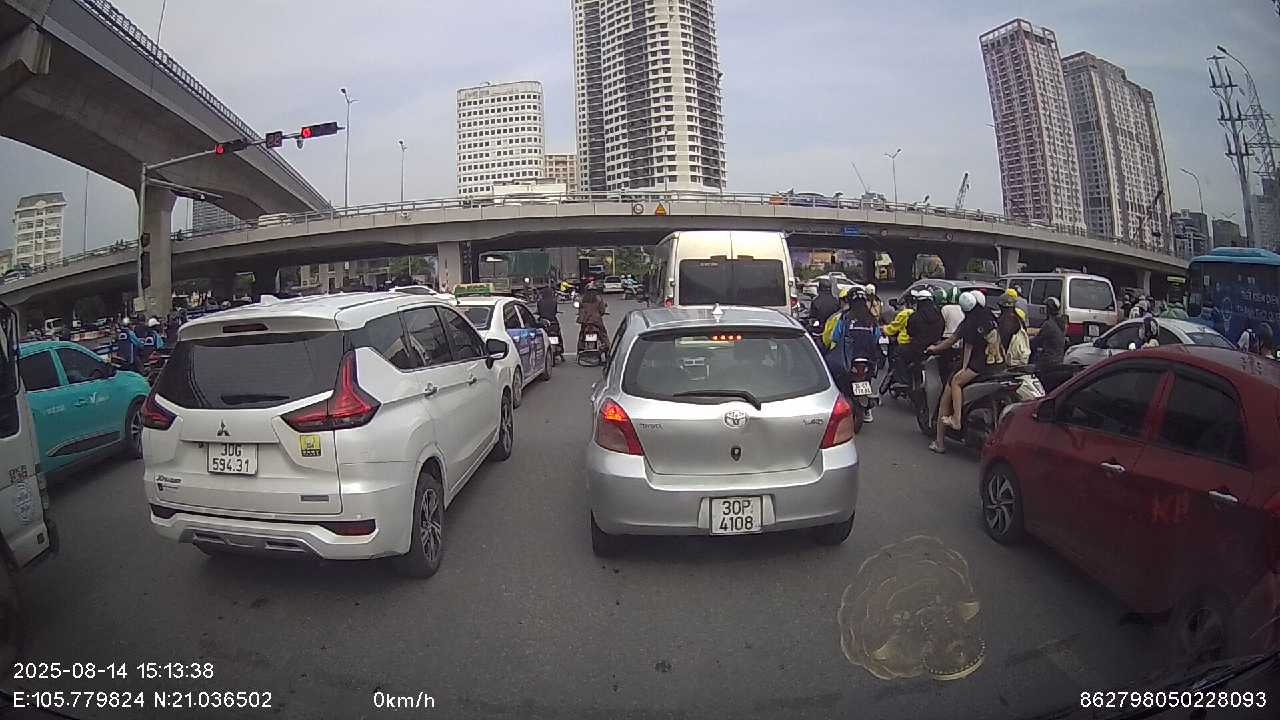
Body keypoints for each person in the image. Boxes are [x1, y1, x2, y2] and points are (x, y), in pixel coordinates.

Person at [926, 290, 998, 453]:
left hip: (977, 365)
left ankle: (945, 435)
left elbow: (957, 344)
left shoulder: (968, 323)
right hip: (995, 365)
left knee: (951, 389)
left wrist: (935, 349)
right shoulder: (990, 317)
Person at [824, 288, 881, 423]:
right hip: (869, 359)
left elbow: (835, 337)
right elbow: (877, 336)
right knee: (868, 377)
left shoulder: (845, 318)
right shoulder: (871, 319)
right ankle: (867, 410)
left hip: (848, 359)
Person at [902, 289, 944, 372]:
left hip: (918, 348)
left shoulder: (915, 316)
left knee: (898, 353)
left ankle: (903, 379)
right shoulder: (939, 314)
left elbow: (910, 332)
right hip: (935, 346)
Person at [1031, 297, 1068, 390]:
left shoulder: (1048, 324)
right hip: (1059, 359)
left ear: (1048, 309)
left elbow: (1036, 341)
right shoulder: (1062, 324)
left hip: (1048, 362)